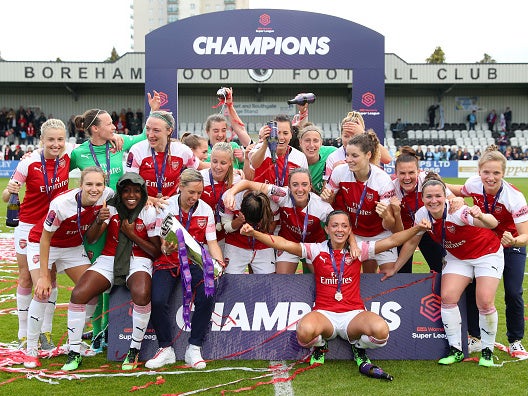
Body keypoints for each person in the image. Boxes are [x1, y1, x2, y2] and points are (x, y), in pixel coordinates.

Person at [240, 210, 431, 371]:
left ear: (349, 230)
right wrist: (254, 234)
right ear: (327, 229)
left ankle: (358, 346)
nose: (339, 229)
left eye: (344, 226)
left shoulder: (359, 250)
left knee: (381, 332)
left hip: (353, 314)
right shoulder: (316, 250)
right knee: (304, 332)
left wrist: (417, 228)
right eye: (335, 225)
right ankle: (320, 345)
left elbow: (392, 240)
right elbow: (282, 243)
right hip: (325, 314)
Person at [382, 172, 503, 367]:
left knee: (485, 301)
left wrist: (480, 215)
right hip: (458, 257)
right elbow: (412, 242)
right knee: (447, 298)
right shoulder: (422, 214)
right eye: (428, 196)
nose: (434, 200)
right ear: (422, 198)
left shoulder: (458, 211)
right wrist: (395, 268)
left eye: (438, 195)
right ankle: (455, 350)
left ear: (445, 195)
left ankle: (487, 351)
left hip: (486, 254)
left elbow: (493, 223)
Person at [70, 101, 150, 353]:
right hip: (98, 219)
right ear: (95, 129)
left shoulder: (120, 142)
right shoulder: (78, 153)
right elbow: (60, 168)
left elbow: (145, 135)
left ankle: (107, 330)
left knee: (115, 273)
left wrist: (153, 109)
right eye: (109, 124)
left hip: (121, 217)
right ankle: (97, 332)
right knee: (100, 279)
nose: (114, 126)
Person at [60, 173, 160, 371]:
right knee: (79, 293)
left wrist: (131, 235)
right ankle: (74, 351)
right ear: (120, 192)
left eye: (136, 191)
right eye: (126, 191)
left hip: (138, 259)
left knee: (141, 294)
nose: (131, 195)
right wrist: (98, 220)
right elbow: (92, 238)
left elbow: (155, 251)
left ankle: (133, 349)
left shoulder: (148, 211)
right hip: (109, 258)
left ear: (143, 193)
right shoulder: (111, 206)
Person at [23, 167, 113, 368]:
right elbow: (45, 238)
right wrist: (45, 275)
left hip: (72, 247)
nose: (94, 189)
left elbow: (127, 198)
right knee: (42, 291)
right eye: (89, 184)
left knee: (91, 293)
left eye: (99, 184)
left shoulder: (107, 195)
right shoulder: (61, 204)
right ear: (80, 185)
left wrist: (150, 199)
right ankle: (31, 348)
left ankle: (75, 339)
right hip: (44, 243)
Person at [447, 146, 528, 358]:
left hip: (511, 244)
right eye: (486, 172)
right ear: (479, 171)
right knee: (473, 289)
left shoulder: (515, 197)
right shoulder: (474, 183)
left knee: (513, 291)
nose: (490, 178)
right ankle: (475, 337)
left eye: (496, 173)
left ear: (504, 173)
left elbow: (525, 235)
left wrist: (513, 240)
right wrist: (432, 181)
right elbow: (459, 190)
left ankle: (515, 340)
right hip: (484, 244)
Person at [2, 119, 71, 350]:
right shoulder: (29, 162)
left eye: (60, 139)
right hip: (28, 226)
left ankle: (46, 332)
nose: (56, 144)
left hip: (53, 226)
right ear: (42, 140)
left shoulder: (68, 157)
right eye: (51, 139)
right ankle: (23, 333)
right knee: (25, 277)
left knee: (50, 278)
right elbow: (6, 196)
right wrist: (9, 190)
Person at [146, 169, 224, 370]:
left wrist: (218, 262)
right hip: (168, 260)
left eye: (199, 193)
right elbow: (162, 243)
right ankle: (165, 349)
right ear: (180, 187)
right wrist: (166, 247)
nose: (195, 197)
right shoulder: (165, 206)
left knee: (207, 294)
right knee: (157, 299)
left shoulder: (205, 210)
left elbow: (212, 242)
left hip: (195, 261)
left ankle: (194, 348)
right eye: (191, 192)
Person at [223, 168, 336, 274]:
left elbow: (339, 223)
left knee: (322, 278)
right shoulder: (281, 194)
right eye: (295, 185)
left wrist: (351, 244)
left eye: (304, 184)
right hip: (288, 244)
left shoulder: (321, 206)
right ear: (289, 187)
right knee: (281, 281)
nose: (300, 189)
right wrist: (231, 194)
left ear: (310, 186)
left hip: (313, 245)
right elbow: (247, 183)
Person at [321, 132, 398, 273]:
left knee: (389, 276)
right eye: (347, 155)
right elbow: (329, 205)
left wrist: (387, 216)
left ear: (368, 155)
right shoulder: (339, 172)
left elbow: (390, 225)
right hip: (353, 233)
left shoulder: (382, 180)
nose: (349, 160)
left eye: (354, 156)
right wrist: (327, 198)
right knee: (353, 275)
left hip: (380, 234)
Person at [126, 110, 207, 205]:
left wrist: (226, 164)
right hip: (145, 205)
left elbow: (200, 167)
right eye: (148, 129)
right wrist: (153, 200)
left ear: (169, 130)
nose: (150, 135)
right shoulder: (137, 150)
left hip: (172, 206)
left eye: (156, 130)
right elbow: (130, 185)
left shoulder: (182, 151)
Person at [392, 147, 445, 273]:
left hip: (427, 230)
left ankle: (439, 291)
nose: (407, 177)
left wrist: (458, 200)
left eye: (411, 172)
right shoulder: (391, 188)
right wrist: (395, 211)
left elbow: (449, 196)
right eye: (402, 173)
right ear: (396, 173)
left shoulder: (428, 180)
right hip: (403, 232)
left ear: (418, 171)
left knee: (441, 268)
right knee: (401, 274)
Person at [220, 189, 277, 274]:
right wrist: (238, 221)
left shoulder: (272, 203)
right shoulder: (229, 199)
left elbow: (271, 228)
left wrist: (263, 225)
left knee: (268, 282)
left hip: (263, 244)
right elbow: (225, 226)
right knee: (232, 280)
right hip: (236, 244)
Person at [325, 111, 391, 180]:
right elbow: (327, 189)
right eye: (346, 136)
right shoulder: (333, 158)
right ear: (341, 135)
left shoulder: (368, 152)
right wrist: (334, 173)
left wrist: (363, 133)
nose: (350, 140)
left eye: (355, 136)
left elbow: (387, 159)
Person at [200, 142, 240, 249]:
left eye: (223, 163)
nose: (218, 167)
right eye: (214, 161)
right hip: (202, 236)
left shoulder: (237, 180)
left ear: (230, 162)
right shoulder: (200, 178)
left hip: (226, 237)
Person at [204, 88, 252, 170]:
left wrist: (242, 160)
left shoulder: (234, 147)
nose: (220, 134)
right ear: (207, 132)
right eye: (216, 131)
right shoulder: (203, 150)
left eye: (223, 130)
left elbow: (246, 175)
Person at [297, 124, 336, 195]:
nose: (311, 145)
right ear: (300, 142)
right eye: (307, 140)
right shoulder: (295, 162)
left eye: (315, 141)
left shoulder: (332, 153)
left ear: (321, 143)